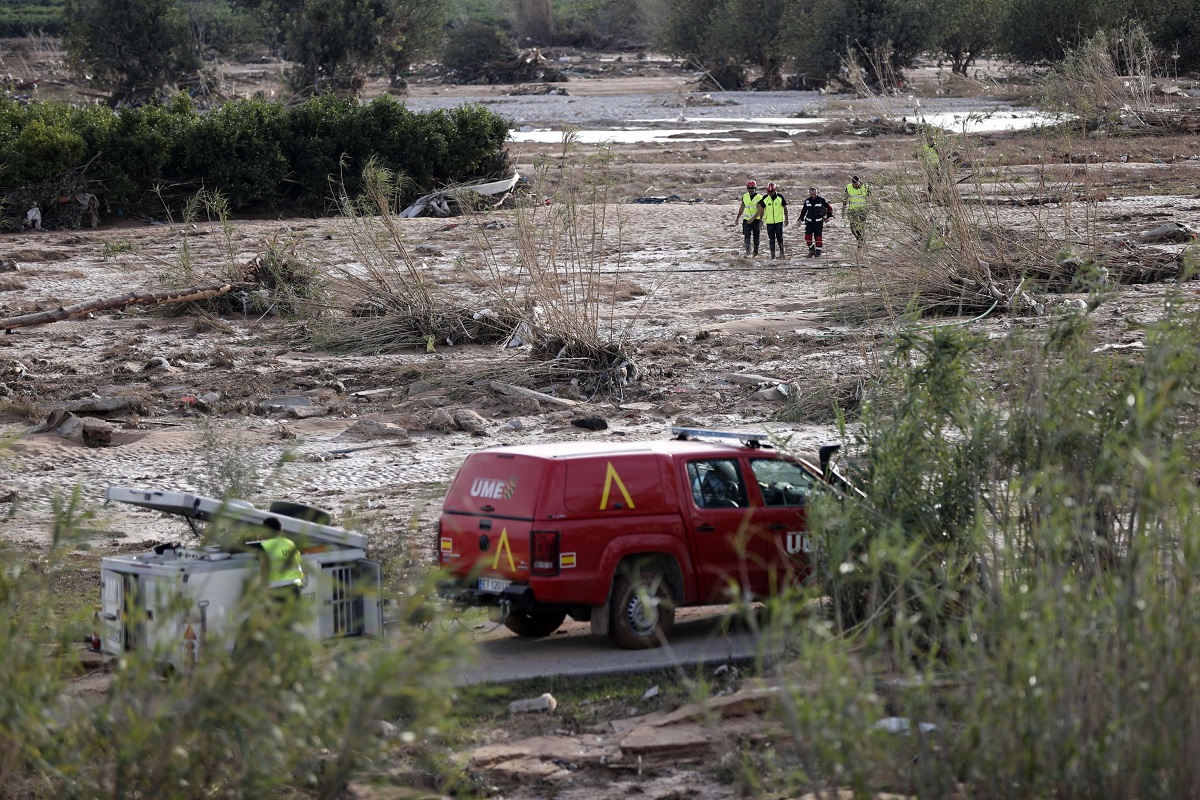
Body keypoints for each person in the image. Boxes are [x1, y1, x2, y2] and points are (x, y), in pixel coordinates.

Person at [259, 516, 304, 600]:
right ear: (279, 531)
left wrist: (263, 587)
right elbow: (298, 560)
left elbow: (264, 567)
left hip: (277, 589)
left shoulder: (265, 546)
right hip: (294, 587)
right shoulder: (290, 543)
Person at [799, 187, 834, 257]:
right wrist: (800, 219)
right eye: (811, 194)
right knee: (807, 238)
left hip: (818, 223)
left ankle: (818, 251)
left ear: (816, 193)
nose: (813, 196)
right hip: (809, 223)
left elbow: (830, 208)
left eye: (814, 194)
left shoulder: (821, 200)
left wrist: (827, 217)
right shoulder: (807, 201)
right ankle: (811, 250)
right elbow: (803, 211)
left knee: (818, 238)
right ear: (809, 193)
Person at [732, 180, 764, 257]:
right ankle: (748, 253)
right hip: (746, 220)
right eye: (749, 188)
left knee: (756, 237)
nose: (751, 190)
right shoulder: (745, 196)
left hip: (756, 220)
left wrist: (753, 219)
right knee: (747, 236)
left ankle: (755, 252)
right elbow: (742, 207)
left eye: (752, 188)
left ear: (755, 188)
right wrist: (737, 218)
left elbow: (760, 210)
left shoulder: (759, 197)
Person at [761, 182, 788, 259]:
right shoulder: (765, 198)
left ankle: (782, 253)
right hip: (769, 222)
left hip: (779, 221)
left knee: (780, 238)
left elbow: (785, 208)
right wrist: (760, 220)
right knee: (771, 239)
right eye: (769, 192)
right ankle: (772, 255)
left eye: (772, 191)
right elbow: (762, 209)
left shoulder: (780, 197)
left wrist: (786, 218)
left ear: (775, 190)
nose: (770, 193)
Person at [842, 175, 869, 246]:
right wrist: (843, 210)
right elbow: (845, 199)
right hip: (853, 210)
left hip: (863, 210)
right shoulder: (848, 187)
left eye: (857, 184)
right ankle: (860, 239)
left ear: (859, 182)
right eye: (854, 184)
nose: (855, 186)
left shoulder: (865, 187)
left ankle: (860, 242)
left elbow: (871, 198)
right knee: (852, 227)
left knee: (861, 226)